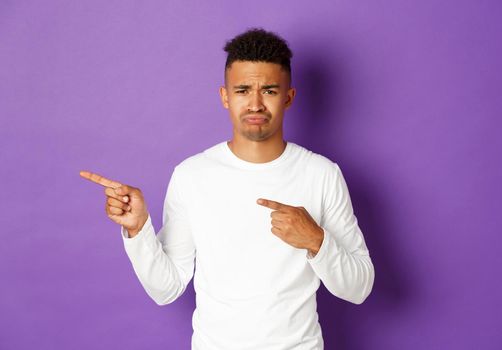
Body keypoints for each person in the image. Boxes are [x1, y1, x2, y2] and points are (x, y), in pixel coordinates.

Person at [80, 28, 374, 350]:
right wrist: (138, 231)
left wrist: (316, 241)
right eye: (243, 90)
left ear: (289, 97)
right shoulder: (192, 175)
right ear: (225, 97)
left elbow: (359, 287)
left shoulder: (322, 174)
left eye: (270, 91)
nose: (256, 103)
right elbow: (166, 289)